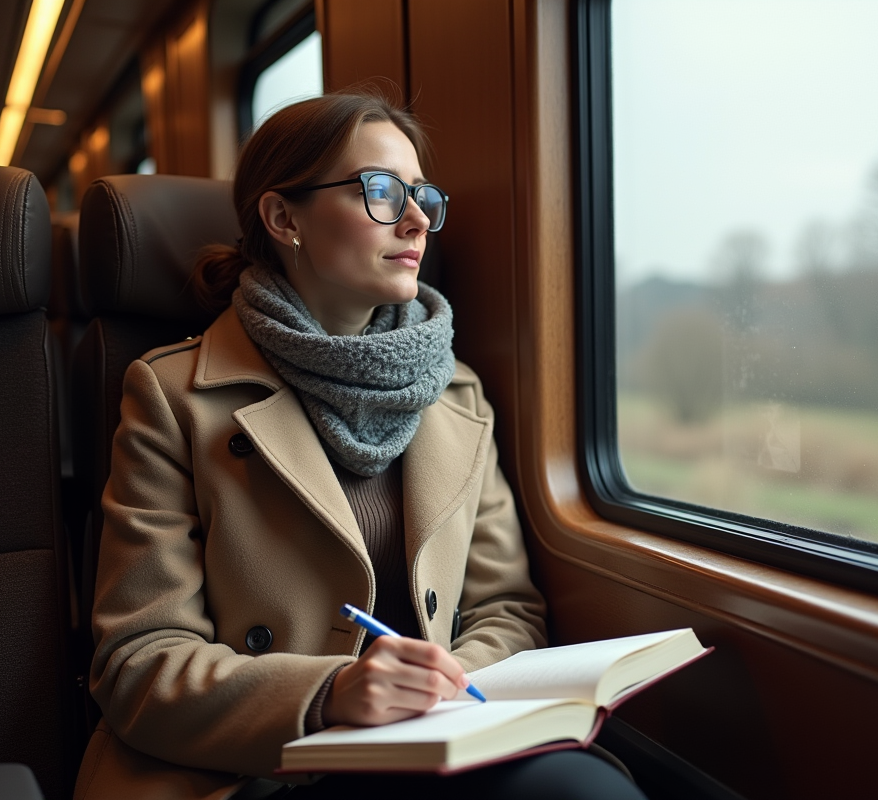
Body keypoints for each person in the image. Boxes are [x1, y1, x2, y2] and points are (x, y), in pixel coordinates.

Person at [73, 92, 647, 800]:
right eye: (380, 190)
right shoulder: (172, 396)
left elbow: (508, 610)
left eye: (421, 196)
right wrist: (333, 692)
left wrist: (447, 683)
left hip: (439, 738)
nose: (415, 220)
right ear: (285, 219)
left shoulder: (456, 390)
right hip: (266, 765)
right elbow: (139, 662)